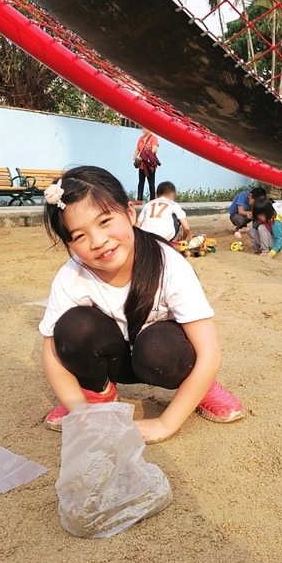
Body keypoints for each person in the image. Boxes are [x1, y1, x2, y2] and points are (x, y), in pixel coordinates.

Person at [40, 166, 243, 443]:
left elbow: (209, 353)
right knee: (74, 326)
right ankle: (98, 392)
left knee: (162, 349)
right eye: (80, 236)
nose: (98, 241)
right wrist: (80, 412)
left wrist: (164, 424)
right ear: (69, 244)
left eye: (104, 221)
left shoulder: (169, 264)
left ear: (130, 212)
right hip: (117, 359)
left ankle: (200, 386)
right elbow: (52, 354)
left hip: (161, 356)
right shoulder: (71, 277)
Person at [133, 128, 160, 201]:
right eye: (143, 128)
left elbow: (154, 150)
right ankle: (139, 199)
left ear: (149, 129)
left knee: (151, 183)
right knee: (141, 182)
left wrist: (142, 157)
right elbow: (138, 148)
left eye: (145, 128)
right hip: (141, 165)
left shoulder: (154, 138)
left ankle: (152, 200)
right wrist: (134, 156)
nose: (143, 129)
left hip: (149, 165)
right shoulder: (141, 138)